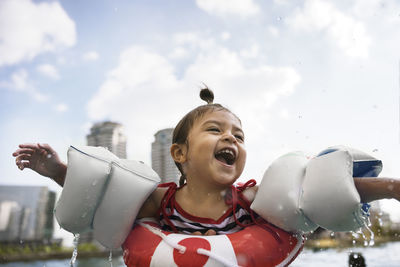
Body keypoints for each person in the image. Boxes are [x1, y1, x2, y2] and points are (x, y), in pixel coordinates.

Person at [12, 88, 400, 237]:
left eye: (239, 135)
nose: (231, 137)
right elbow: (100, 196)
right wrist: (57, 171)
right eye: (215, 130)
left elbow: (319, 191)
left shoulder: (252, 200)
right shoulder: (159, 202)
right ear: (179, 154)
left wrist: (391, 188)